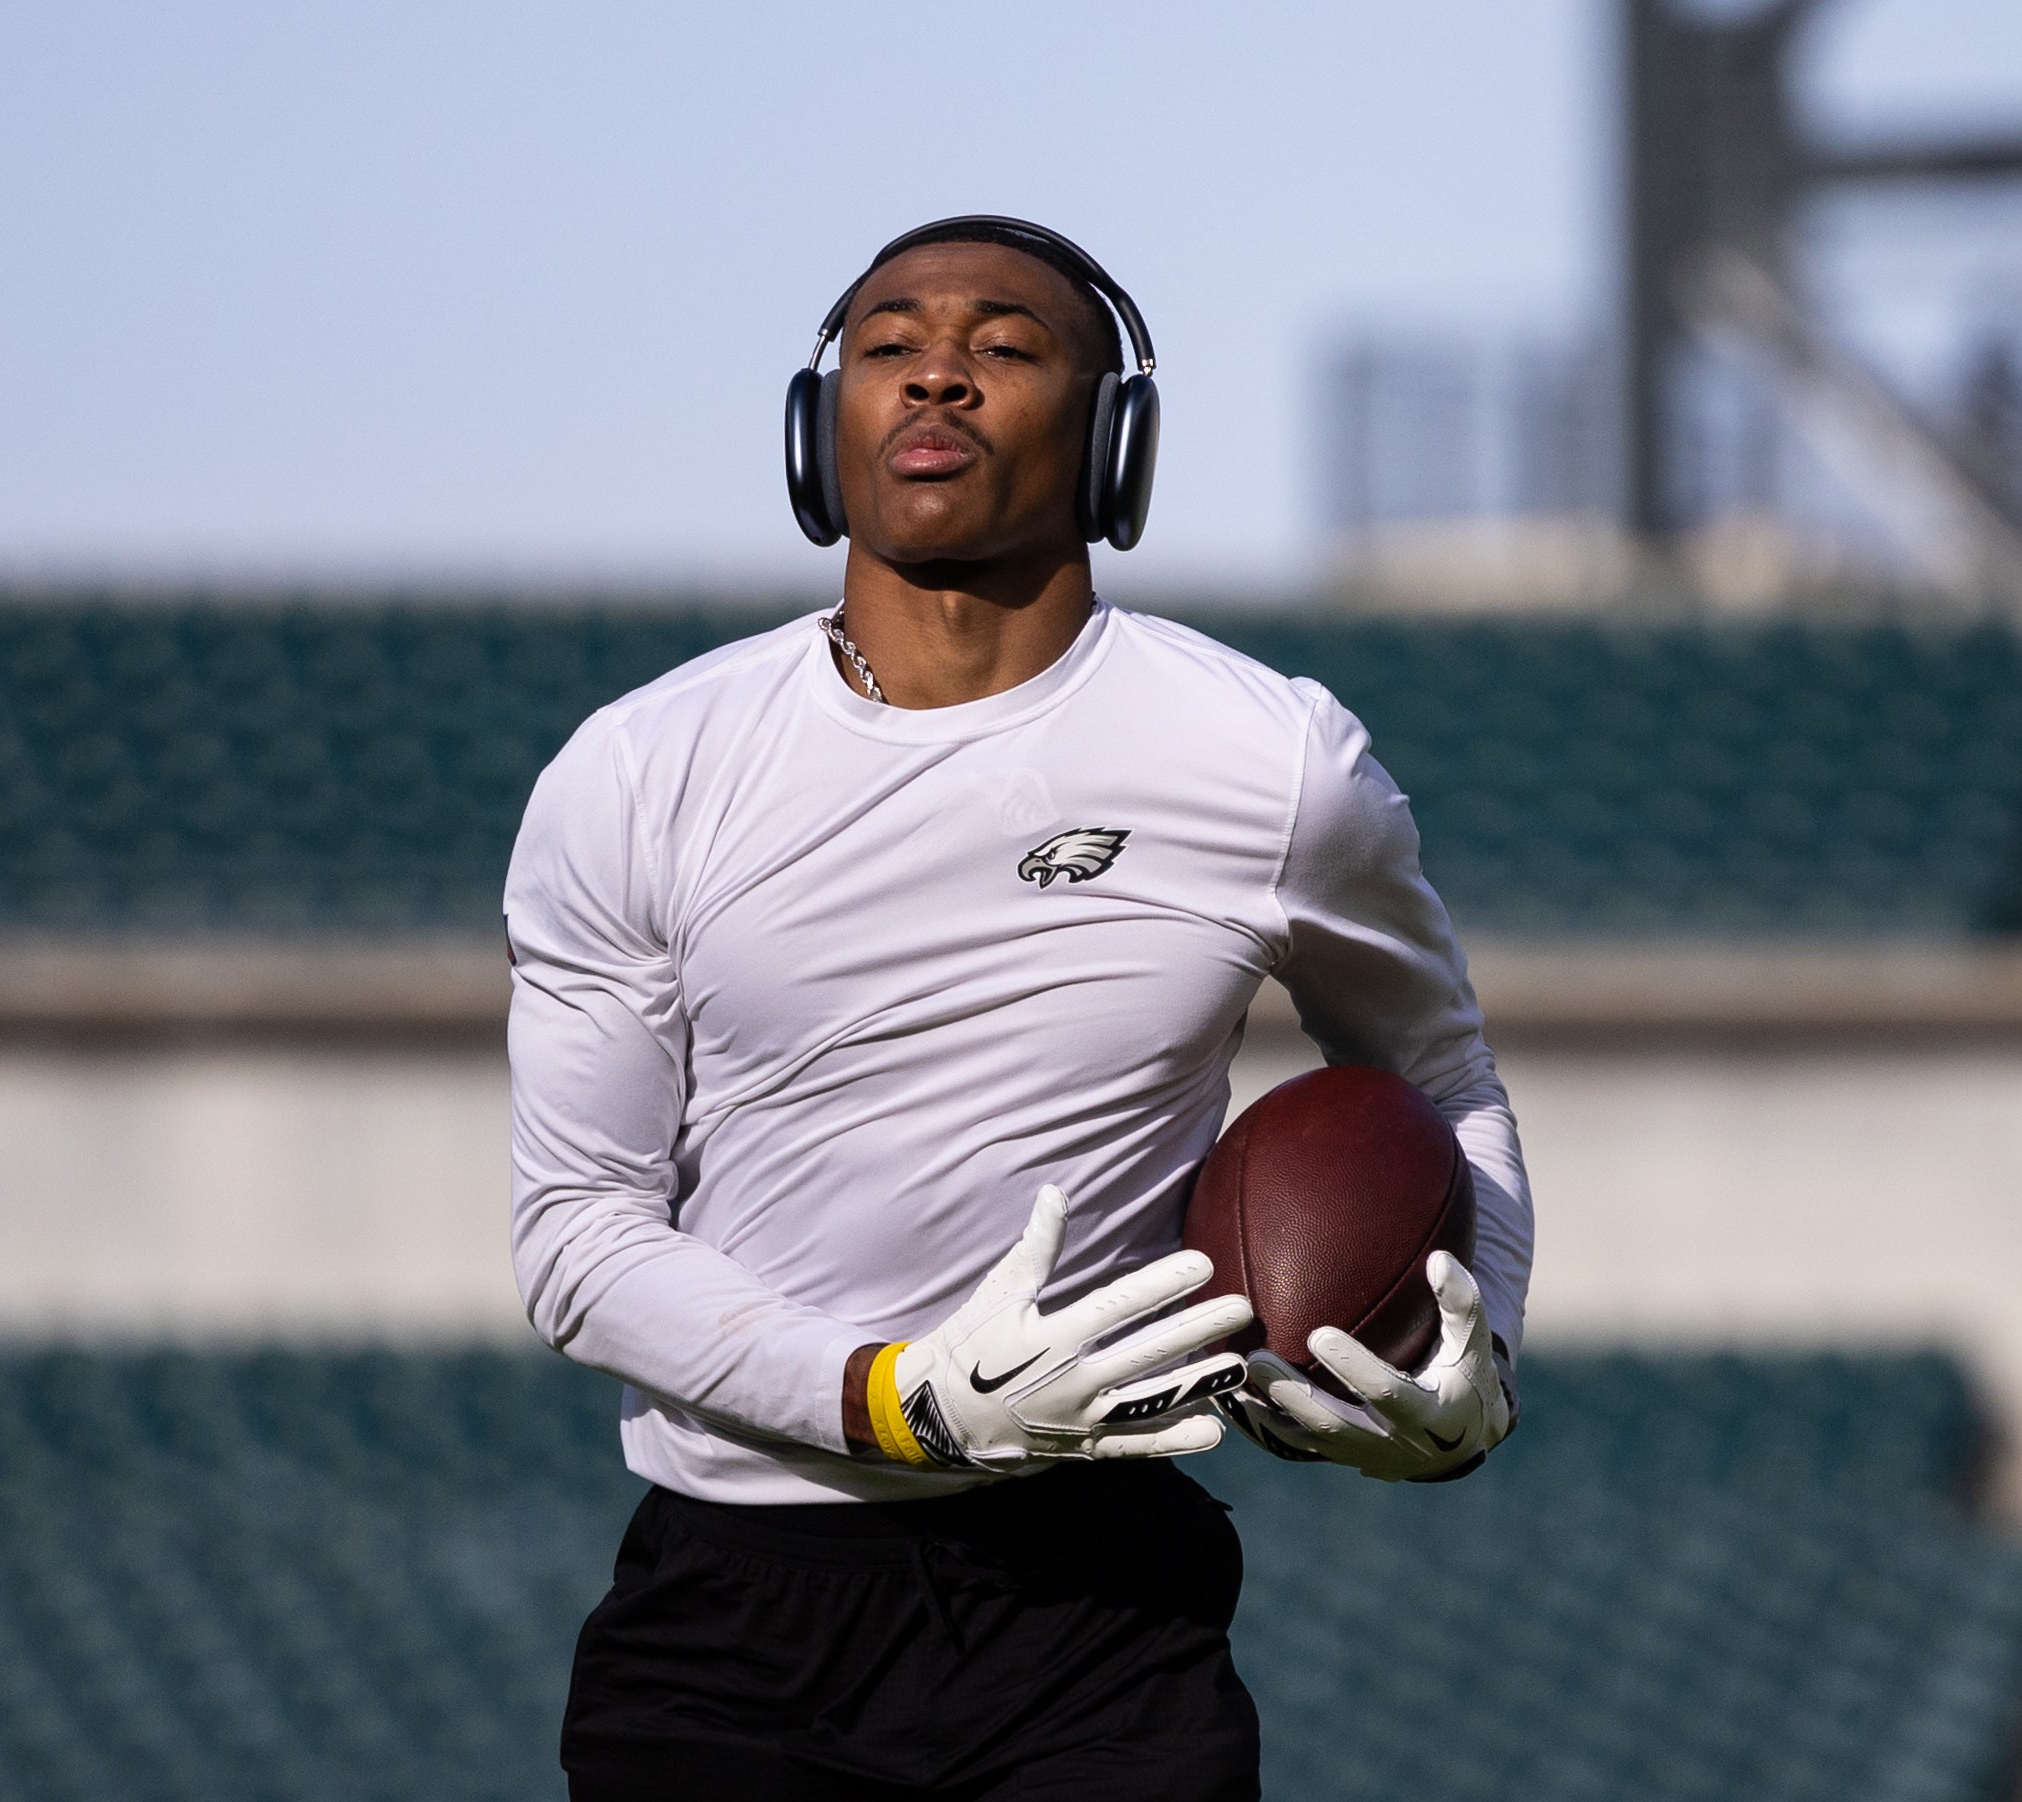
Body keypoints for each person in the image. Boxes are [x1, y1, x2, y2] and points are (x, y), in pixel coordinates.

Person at [506, 216, 1534, 1801]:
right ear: (819, 422)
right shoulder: (640, 770)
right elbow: (577, 1237)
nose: (936, 372)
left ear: (1115, 438)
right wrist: (895, 1399)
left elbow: (1435, 1068)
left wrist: (1481, 1364)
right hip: (733, 1615)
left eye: (1004, 344)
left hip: (1097, 1606)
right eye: (888, 341)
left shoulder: (1271, 760)